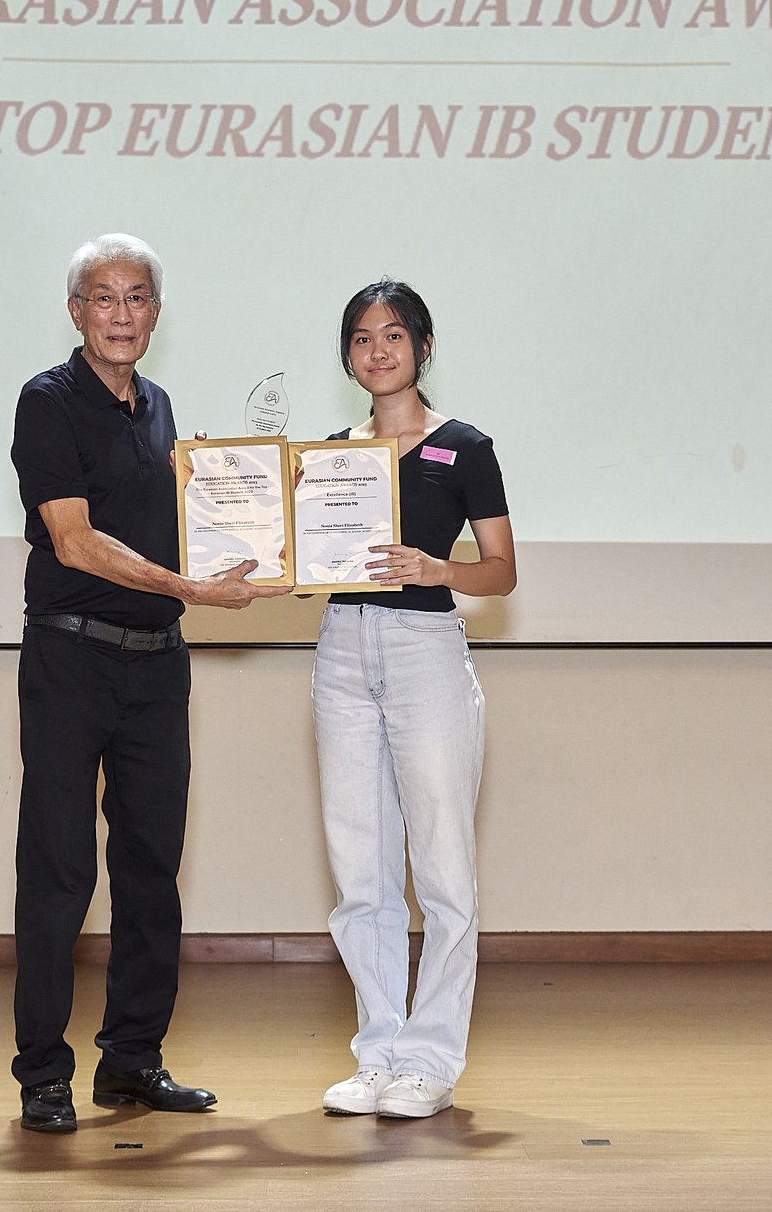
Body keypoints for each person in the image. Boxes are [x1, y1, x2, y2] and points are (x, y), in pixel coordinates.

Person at [8, 233, 288, 1134]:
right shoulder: (46, 401)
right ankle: (43, 1072)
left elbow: (173, 525)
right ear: (76, 310)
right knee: (59, 869)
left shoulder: (159, 407)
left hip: (158, 665)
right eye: (104, 297)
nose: (121, 313)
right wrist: (192, 590)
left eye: (137, 298)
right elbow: (74, 539)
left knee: (151, 868)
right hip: (70, 659)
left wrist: (245, 519)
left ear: (156, 314)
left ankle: (131, 1059)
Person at [311, 281, 515, 1121]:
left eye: (394, 334)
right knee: (360, 867)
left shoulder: (465, 447)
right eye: (362, 338)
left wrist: (437, 568)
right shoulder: (330, 455)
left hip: (426, 648)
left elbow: (500, 571)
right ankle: (379, 1052)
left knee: (442, 867)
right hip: (341, 648)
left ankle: (429, 1061)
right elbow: (302, 556)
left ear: (423, 346)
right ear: (348, 356)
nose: (378, 351)